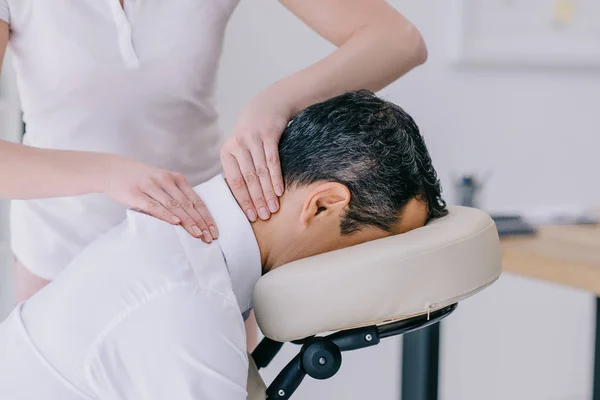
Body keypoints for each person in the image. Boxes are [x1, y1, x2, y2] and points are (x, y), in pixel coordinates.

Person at [0, 91, 447, 400]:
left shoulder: (185, 253)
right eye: (375, 248)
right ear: (324, 204)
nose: (365, 270)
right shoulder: (188, 302)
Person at [0, 1, 429, 312]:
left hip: (204, 257)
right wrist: (108, 172)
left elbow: (398, 41)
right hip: (62, 262)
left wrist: (278, 101)